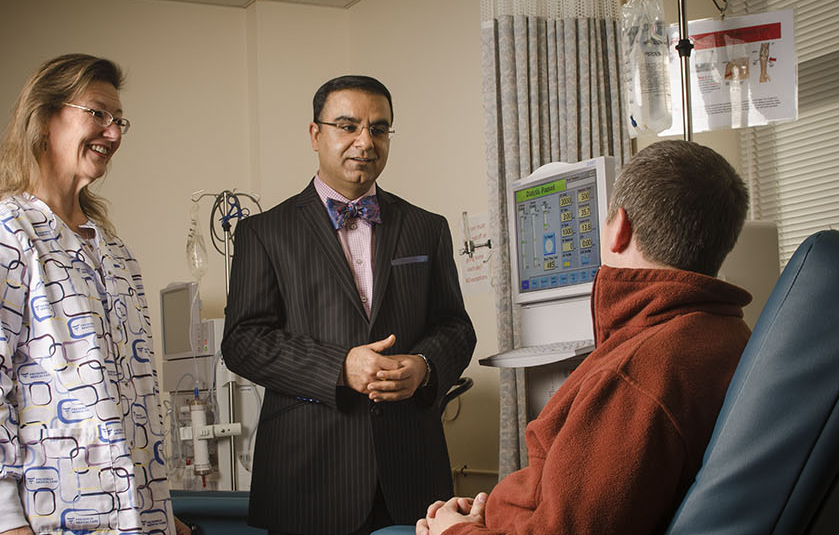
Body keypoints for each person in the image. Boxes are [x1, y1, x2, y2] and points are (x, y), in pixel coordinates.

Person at [417, 140, 753, 535]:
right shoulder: (724, 333)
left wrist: (452, 532)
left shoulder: (636, 374)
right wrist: (485, 517)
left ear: (620, 227)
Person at [0, 54, 188, 535]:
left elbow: (127, 398)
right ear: (44, 116)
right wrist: (2, 518)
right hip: (42, 519)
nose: (113, 133)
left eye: (119, 121)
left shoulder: (114, 250)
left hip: (135, 518)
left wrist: (159, 509)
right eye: (97, 113)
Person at [221, 75, 477, 535]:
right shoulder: (263, 233)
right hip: (308, 477)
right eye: (348, 126)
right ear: (316, 134)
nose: (365, 141)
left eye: (379, 129)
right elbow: (243, 341)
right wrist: (340, 366)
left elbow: (456, 326)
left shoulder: (427, 227)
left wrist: (423, 365)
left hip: (412, 475)